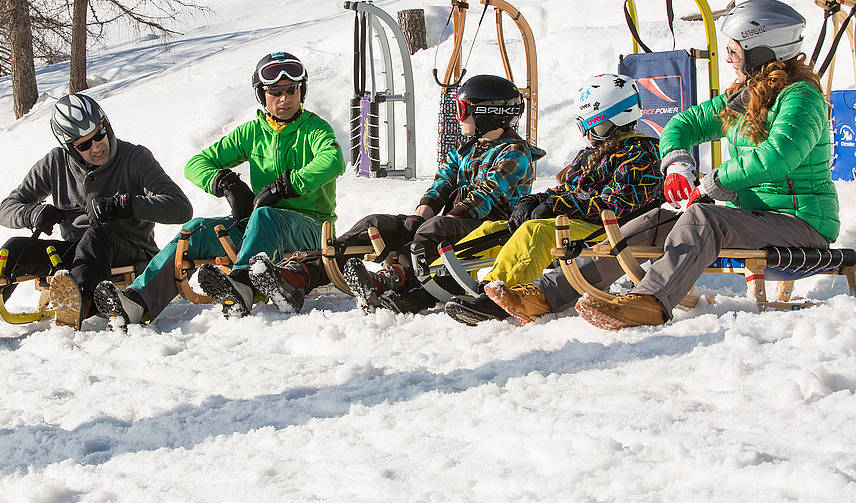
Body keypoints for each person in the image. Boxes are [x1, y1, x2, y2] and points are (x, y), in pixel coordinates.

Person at [495, 0, 839, 330]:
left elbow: (778, 157)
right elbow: (683, 124)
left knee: (705, 216)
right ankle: (549, 293)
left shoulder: (802, 98)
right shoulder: (749, 95)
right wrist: (677, 164)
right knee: (662, 217)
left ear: (762, 50)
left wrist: (713, 182)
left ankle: (650, 300)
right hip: (759, 219)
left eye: (735, 51)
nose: (731, 59)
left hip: (802, 224)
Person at [0, 94, 193, 355]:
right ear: (69, 148)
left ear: (106, 125)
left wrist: (123, 204)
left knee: (97, 233)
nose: (97, 147)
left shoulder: (135, 158)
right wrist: (34, 213)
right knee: (17, 248)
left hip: (130, 249)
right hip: (76, 255)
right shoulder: (55, 163)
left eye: (100, 134)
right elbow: (6, 208)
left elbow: (180, 207)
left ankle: (78, 301)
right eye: (84, 145)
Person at [248, 74, 544, 315]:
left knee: (433, 229)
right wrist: (418, 217)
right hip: (455, 222)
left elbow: (483, 197)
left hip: (494, 228)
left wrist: (431, 224)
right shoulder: (467, 148)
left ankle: (394, 280)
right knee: (375, 223)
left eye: (463, 110)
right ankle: (299, 275)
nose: (458, 117)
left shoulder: (515, 153)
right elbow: (440, 185)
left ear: (488, 114)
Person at [94, 52, 346, 327]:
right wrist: (225, 183)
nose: (284, 99)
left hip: (312, 228)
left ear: (302, 91)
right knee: (196, 230)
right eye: (274, 92)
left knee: (264, 216)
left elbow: (333, 161)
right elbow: (196, 163)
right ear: (262, 95)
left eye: (291, 90)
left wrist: (288, 185)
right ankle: (138, 301)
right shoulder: (251, 133)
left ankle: (242, 285)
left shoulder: (315, 129)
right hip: (261, 229)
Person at [443, 74, 663, 326]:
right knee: (496, 228)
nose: (587, 136)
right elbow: (567, 190)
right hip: (584, 222)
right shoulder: (592, 154)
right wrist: (536, 200)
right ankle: (439, 279)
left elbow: (617, 204)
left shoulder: (641, 154)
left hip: (613, 228)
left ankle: (494, 295)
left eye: (591, 127)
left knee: (537, 231)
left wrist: (556, 206)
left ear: (612, 121)